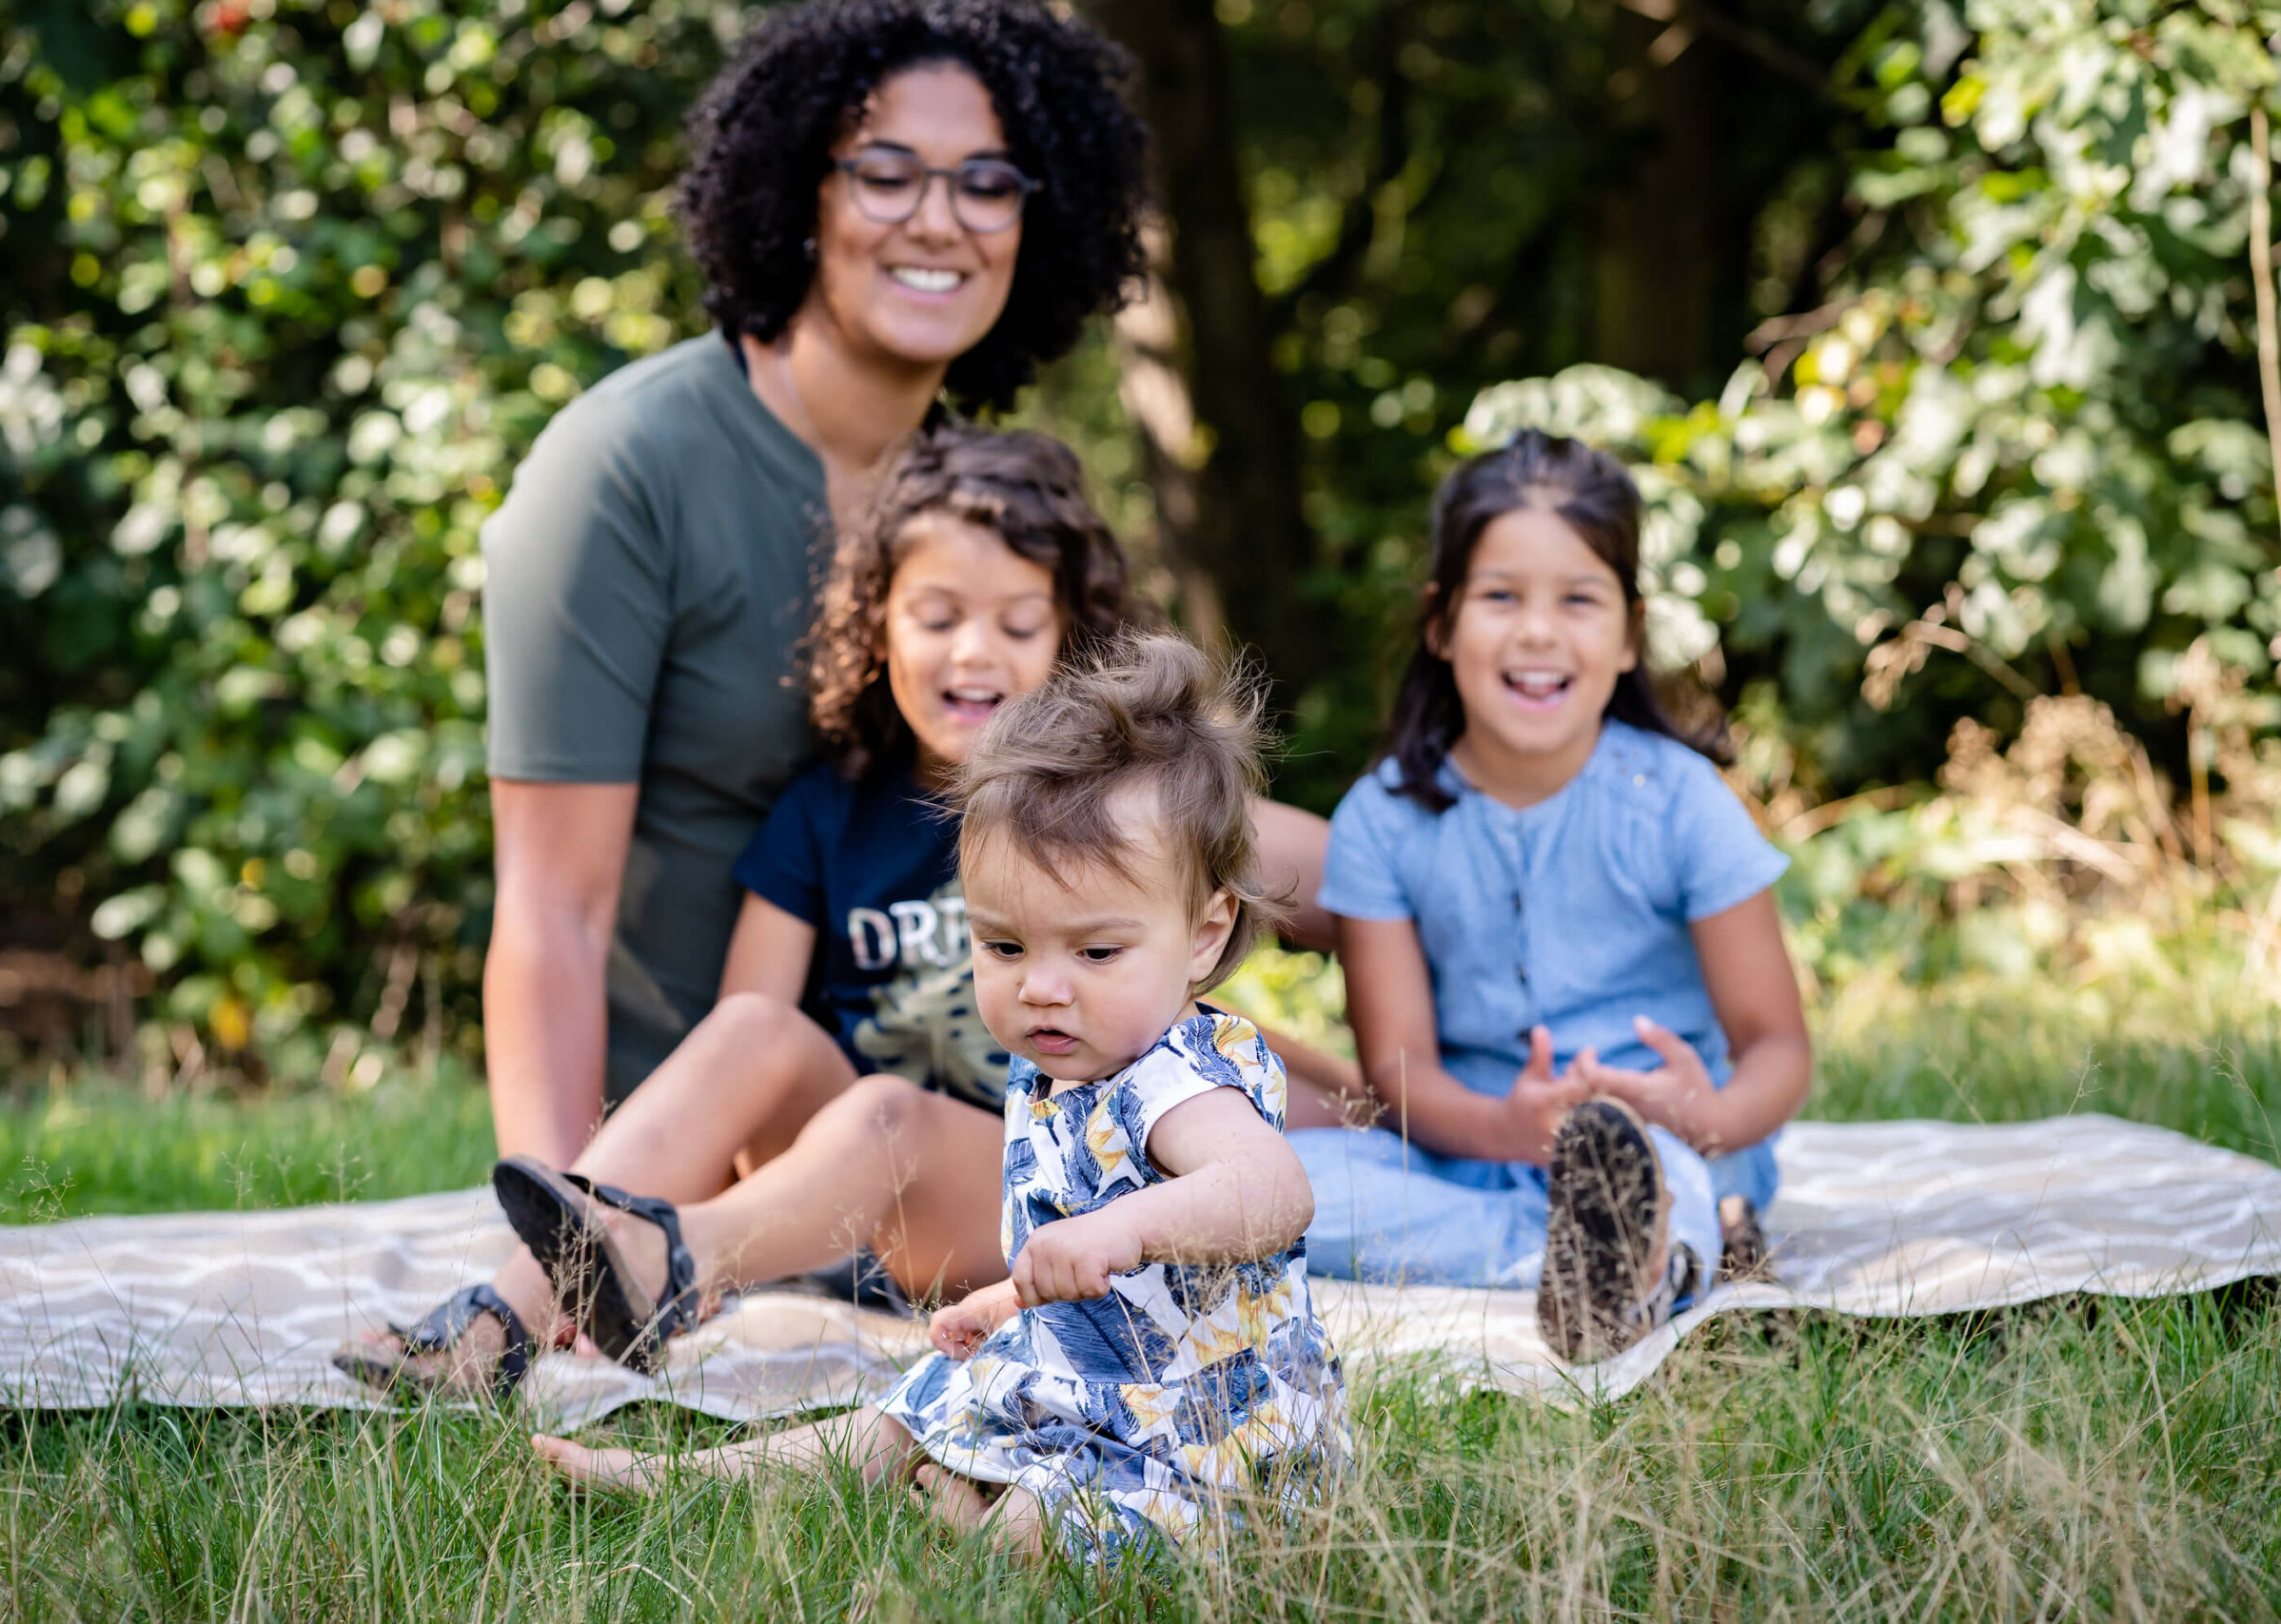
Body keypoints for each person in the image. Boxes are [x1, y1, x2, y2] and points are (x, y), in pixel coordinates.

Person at [478, 0, 1154, 1173]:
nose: (938, 221)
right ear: (801, 195)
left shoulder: (982, 513)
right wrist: (566, 1234)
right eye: (886, 173)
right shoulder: (623, 468)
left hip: (965, 1122)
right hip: (692, 1146)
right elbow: (552, 910)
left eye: (988, 182)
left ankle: (1510, 1135)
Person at [337, 427, 1130, 1397]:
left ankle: (665, 1265)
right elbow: (743, 1055)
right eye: (937, 615)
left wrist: (1352, 1083)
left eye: (1017, 625)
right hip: (838, 1210)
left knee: (888, 1113)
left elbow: (1290, 891)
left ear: (1068, 640)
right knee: (760, 1028)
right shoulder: (824, 813)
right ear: (879, 625)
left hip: (1028, 1199)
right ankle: (514, 1313)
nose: (976, 651)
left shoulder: (1103, 813)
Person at [527, 635, 1348, 1563]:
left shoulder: (1174, 1079)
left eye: (1095, 952)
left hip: (1196, 1432)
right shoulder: (1062, 1066)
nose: (1042, 986)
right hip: (1089, 1383)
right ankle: (687, 1482)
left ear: (1202, 939)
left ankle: (981, 1518)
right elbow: (1089, 1246)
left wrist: (1119, 1234)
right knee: (903, 1413)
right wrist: (1008, 1301)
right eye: (1004, 947)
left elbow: (1272, 1190)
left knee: (1047, 1529)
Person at [1286, 429, 1812, 1361]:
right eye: (1500, 598)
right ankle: (1612, 1262)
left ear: (1628, 636)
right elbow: (1400, 1078)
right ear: (1441, 624)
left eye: (1577, 599)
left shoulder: (1681, 802)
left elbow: (1775, 1046)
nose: (1536, 632)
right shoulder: (1381, 821)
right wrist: (1506, 1126)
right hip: (1470, 1156)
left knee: (1675, 1181)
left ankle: (1656, 1235)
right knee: (1277, 1187)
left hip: (1668, 1144)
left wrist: (1709, 1115)